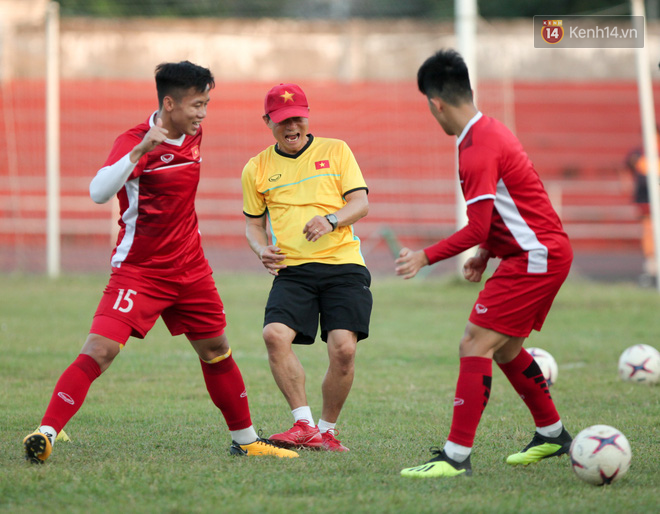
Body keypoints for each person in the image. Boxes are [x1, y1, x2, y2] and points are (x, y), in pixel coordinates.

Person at [23, 61, 298, 463]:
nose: (203, 113)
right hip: (140, 271)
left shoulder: (194, 132)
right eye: (197, 105)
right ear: (170, 104)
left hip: (191, 268)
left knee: (217, 349)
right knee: (100, 350)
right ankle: (46, 432)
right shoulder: (135, 141)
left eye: (206, 103)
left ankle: (246, 440)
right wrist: (140, 151)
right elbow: (98, 192)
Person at [396, 50, 573, 478]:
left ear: (435, 103)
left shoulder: (476, 148)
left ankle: (456, 457)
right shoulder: (489, 131)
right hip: (537, 252)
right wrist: (487, 253)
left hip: (536, 257)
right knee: (507, 347)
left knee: (474, 343)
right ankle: (552, 434)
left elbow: (476, 225)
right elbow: (509, 208)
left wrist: (425, 256)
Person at [241, 83, 372, 452]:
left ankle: (326, 430)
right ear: (268, 122)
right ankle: (303, 425)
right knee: (273, 335)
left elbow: (360, 203)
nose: (291, 126)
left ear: (307, 116)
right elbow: (253, 223)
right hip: (293, 270)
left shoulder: (337, 150)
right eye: (282, 120)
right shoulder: (256, 168)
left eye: (297, 117)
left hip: (343, 266)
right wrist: (260, 248)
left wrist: (331, 220)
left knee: (343, 349)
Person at [624, 129, 659, 287]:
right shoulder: (638, 154)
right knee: (648, 230)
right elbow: (626, 168)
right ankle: (651, 265)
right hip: (646, 199)